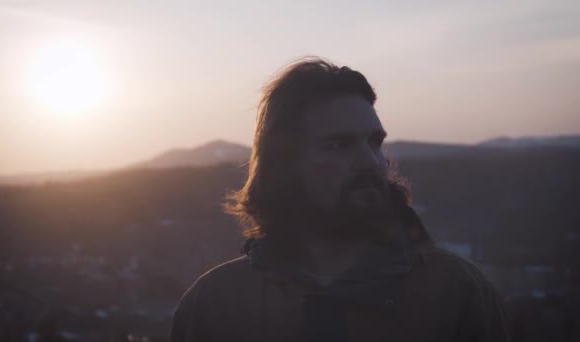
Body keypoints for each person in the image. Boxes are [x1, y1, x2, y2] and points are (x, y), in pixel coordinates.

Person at [170, 57, 509, 342]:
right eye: (338, 145)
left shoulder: (455, 292)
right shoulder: (217, 304)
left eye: (374, 142)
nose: (369, 161)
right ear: (283, 164)